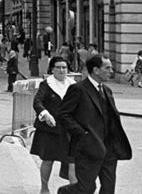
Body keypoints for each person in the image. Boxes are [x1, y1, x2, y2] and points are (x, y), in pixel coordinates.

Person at [57, 55, 132, 194]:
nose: (111, 70)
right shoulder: (78, 89)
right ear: (96, 70)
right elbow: (63, 115)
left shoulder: (107, 91)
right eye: (107, 68)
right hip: (88, 148)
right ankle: (65, 192)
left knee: (108, 189)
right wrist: (82, 133)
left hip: (109, 150)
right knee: (85, 189)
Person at [30, 55, 77, 193]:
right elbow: (37, 102)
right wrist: (46, 115)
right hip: (49, 130)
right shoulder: (47, 84)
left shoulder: (73, 85)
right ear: (52, 69)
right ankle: (44, 188)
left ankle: (74, 190)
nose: (61, 70)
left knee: (72, 162)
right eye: (58, 67)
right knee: (48, 160)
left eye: (64, 67)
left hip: (68, 130)